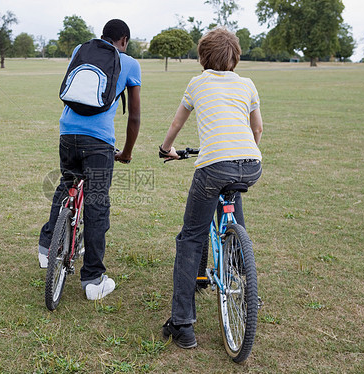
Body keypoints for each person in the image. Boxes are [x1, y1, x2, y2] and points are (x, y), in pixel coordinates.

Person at [158, 27, 263, 348]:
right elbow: (257, 128)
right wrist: (244, 153)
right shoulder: (247, 84)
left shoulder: (197, 83)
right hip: (251, 163)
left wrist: (166, 150)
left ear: (202, 57)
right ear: (235, 57)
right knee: (233, 215)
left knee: (190, 237)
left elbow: (177, 123)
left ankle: (182, 324)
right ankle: (250, 295)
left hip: (214, 166)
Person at [38, 19, 141, 301]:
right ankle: (93, 279)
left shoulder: (79, 50)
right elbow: (134, 116)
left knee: (66, 185)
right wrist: (127, 152)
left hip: (67, 132)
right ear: (124, 40)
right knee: (96, 204)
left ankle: (47, 249)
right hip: (99, 141)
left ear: (101, 37)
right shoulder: (129, 62)